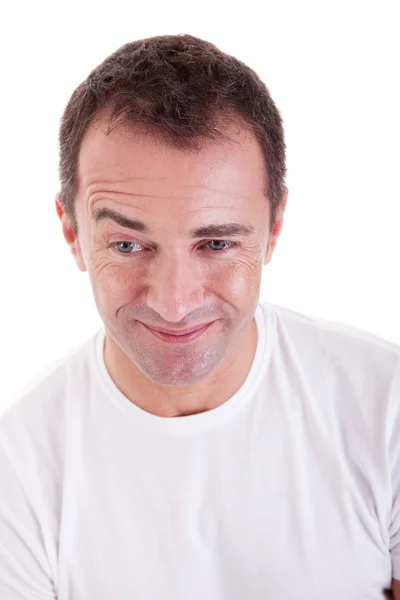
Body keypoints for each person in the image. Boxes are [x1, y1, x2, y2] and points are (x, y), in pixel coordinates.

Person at [0, 33, 399, 600]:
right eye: (128, 246)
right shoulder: (17, 473)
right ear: (72, 232)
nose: (174, 302)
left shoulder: (386, 409)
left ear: (274, 227)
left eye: (215, 244)